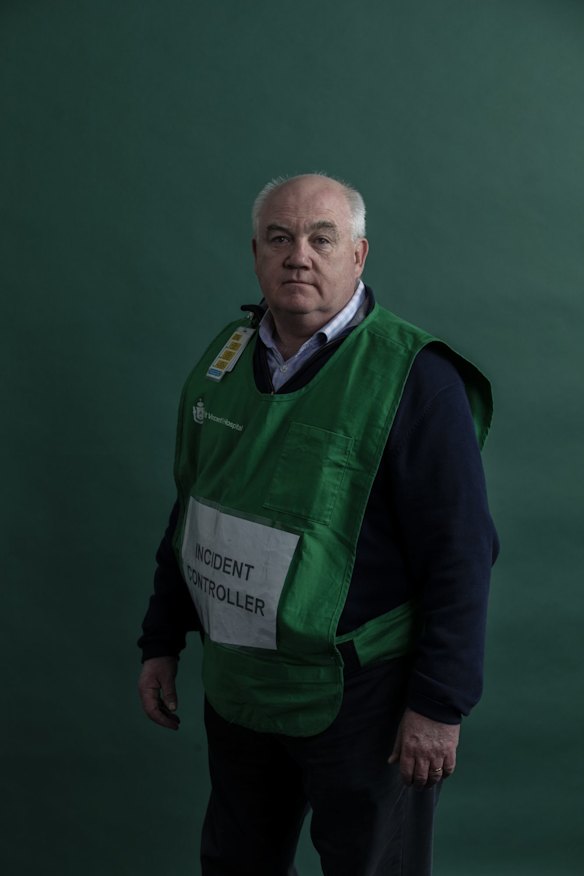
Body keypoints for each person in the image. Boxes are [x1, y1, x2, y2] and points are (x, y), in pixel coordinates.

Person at [138, 173, 499, 876]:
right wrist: (161, 638)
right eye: (279, 238)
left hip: (362, 700)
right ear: (255, 254)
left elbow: (461, 553)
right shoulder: (227, 360)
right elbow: (196, 510)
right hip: (240, 683)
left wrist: (439, 705)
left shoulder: (414, 379)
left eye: (320, 239)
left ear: (358, 256)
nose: (297, 255)